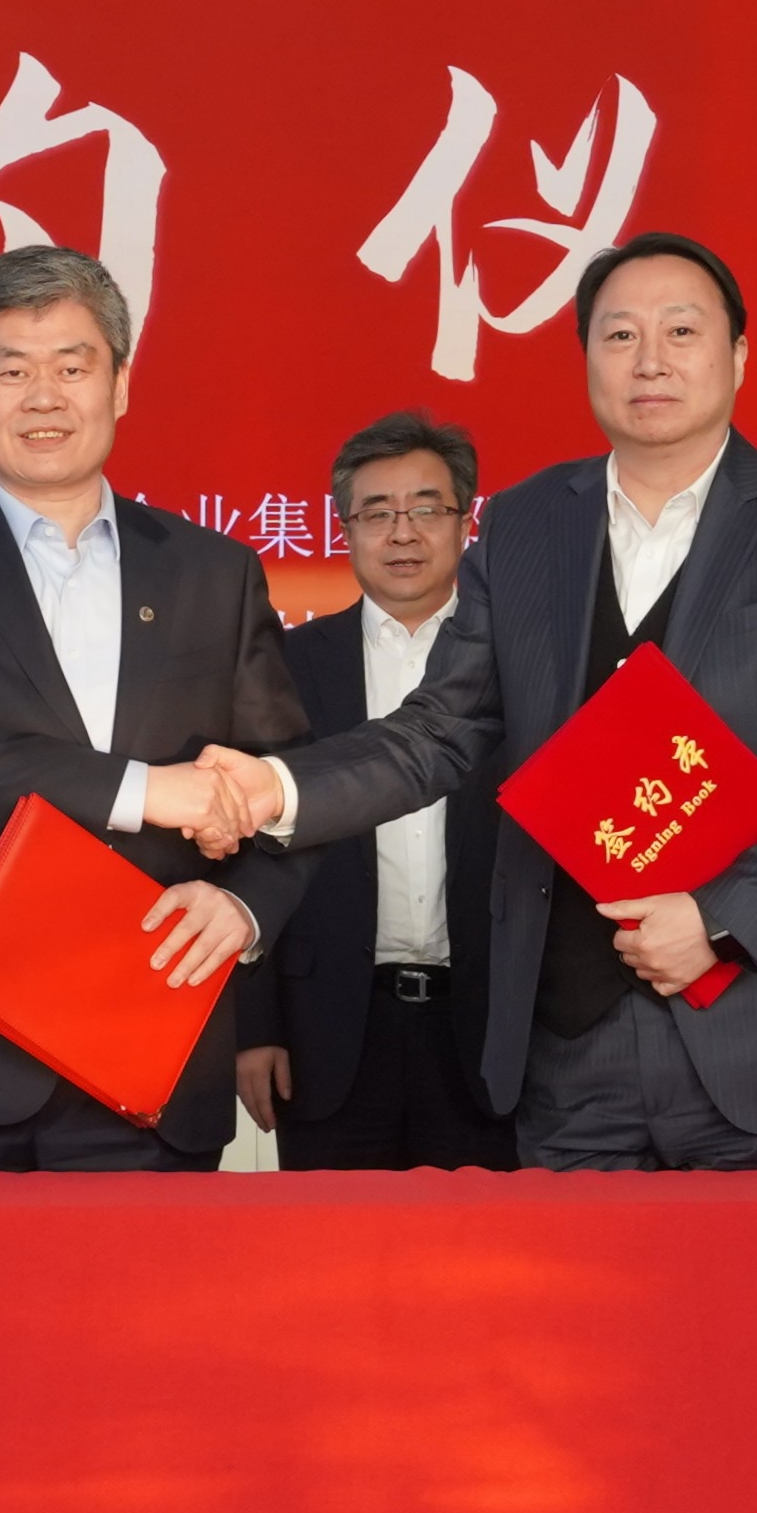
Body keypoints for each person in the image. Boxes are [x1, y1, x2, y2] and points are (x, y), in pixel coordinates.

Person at [211, 235, 757, 1170]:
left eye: (681, 331)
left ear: (739, 354)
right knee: (570, 1273)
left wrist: (721, 916)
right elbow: (439, 728)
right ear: (587, 357)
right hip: (570, 1047)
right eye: (619, 334)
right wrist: (277, 789)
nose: (649, 359)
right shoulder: (526, 522)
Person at [0, 246, 305, 1169]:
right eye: (12, 370)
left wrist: (245, 906)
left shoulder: (213, 572)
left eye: (72, 367)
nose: (43, 396)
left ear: (118, 385)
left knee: (142, 1273)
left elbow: (286, 783)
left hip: (148, 1032)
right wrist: (145, 789)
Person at [229, 412, 515, 1170]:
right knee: (332, 1239)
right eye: (377, 512)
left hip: (491, 1029)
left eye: (427, 508)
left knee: (488, 1242)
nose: (402, 532)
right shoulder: (286, 666)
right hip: (326, 1030)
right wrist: (254, 1026)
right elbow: (245, 851)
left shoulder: (524, 665)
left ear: (465, 522)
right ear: (345, 529)